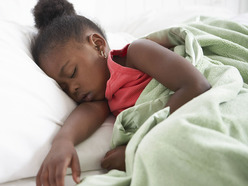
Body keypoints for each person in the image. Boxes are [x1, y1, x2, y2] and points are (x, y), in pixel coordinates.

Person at [32, 0, 211, 185]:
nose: (72, 89)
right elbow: (85, 116)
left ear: (98, 45)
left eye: (72, 73)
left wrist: (135, 147)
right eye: (64, 88)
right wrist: (62, 142)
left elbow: (196, 85)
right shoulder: (106, 98)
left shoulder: (136, 53)